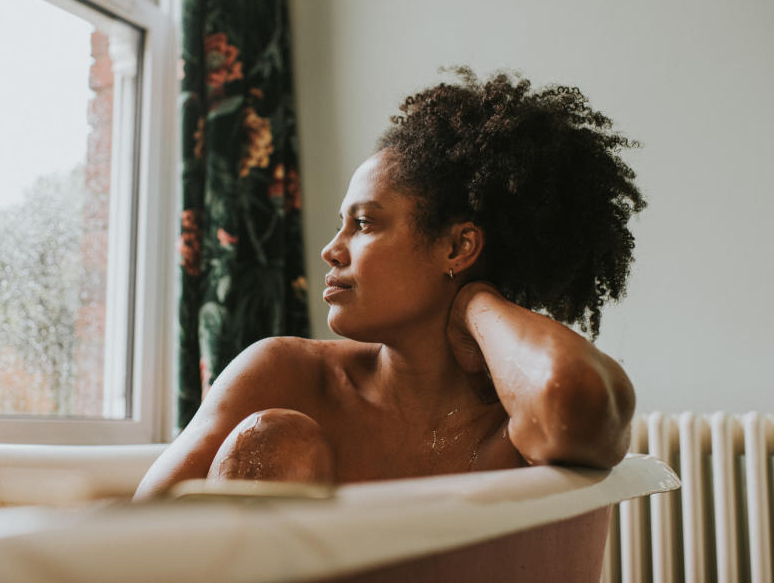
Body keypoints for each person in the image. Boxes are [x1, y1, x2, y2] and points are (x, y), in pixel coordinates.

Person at [135, 67, 645, 497]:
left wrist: (477, 304)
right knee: (278, 438)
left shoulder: (516, 425)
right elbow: (137, 541)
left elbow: (575, 402)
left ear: (457, 247)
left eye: (363, 224)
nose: (330, 250)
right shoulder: (284, 377)